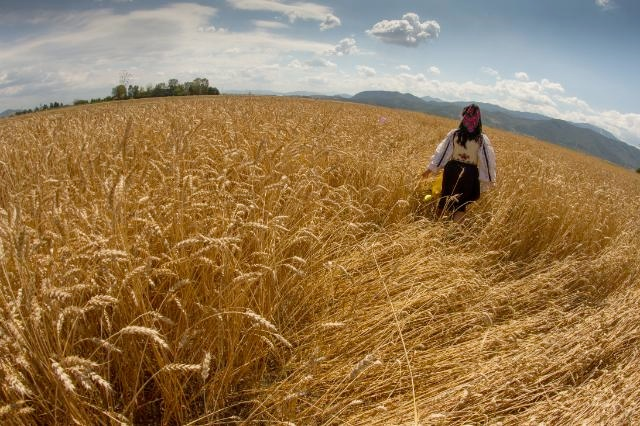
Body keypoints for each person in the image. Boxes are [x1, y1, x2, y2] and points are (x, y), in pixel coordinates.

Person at [421, 103, 496, 222]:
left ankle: (434, 225)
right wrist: (490, 179)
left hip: (452, 170)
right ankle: (454, 233)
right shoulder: (481, 138)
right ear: (478, 119)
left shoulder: (454, 134)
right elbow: (487, 161)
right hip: (470, 173)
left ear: (464, 117)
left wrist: (430, 169)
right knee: (461, 204)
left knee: (444, 198)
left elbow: (442, 153)